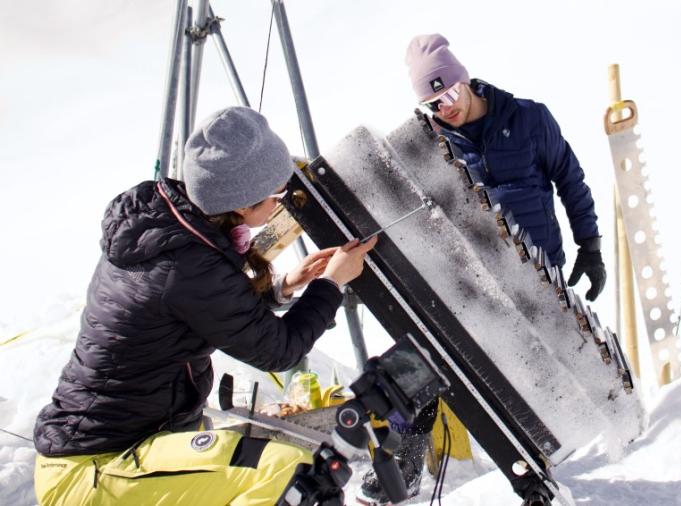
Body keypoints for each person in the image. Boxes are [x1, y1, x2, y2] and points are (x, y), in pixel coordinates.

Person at [33, 106, 377, 506]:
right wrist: (331, 283)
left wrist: (285, 286)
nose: (280, 206)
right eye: (277, 196)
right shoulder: (185, 266)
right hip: (98, 469)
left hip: (116, 451)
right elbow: (279, 350)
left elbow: (203, 310)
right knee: (289, 474)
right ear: (243, 202)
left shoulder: (166, 229)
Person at [360, 34, 608, 504]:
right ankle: (404, 461)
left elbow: (570, 179)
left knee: (529, 372)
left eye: (450, 94)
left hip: (535, 273)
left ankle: (533, 467)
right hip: (469, 276)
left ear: (466, 81)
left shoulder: (529, 118)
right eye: (433, 102)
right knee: (422, 353)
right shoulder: (427, 142)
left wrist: (589, 245)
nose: (445, 107)